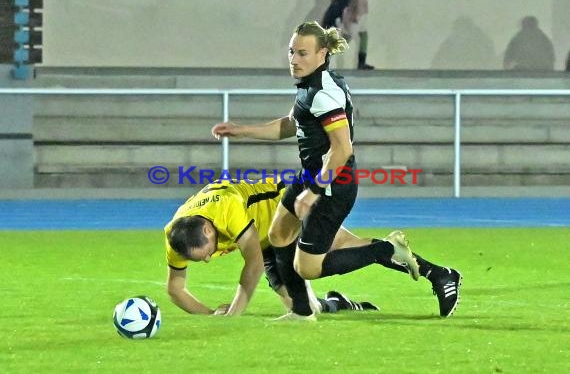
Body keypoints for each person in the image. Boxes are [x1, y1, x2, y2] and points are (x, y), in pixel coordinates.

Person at [211, 21, 461, 321]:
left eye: (302, 53)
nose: (294, 59)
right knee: (278, 234)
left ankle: (387, 249)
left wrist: (313, 193)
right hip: (311, 176)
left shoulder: (323, 93)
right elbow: (292, 124)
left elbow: (342, 150)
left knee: (308, 267)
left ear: (322, 54)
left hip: (331, 185)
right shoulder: (313, 86)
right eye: (291, 52)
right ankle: (303, 312)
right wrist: (241, 131)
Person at [165, 179, 379, 317]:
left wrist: (234, 313)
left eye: (207, 252)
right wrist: (211, 314)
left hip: (284, 214)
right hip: (264, 239)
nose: (208, 259)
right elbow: (175, 289)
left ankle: (388, 250)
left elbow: (254, 261)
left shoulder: (226, 207)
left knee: (335, 251)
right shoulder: (176, 236)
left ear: (207, 231)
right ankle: (338, 301)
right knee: (306, 309)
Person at [322, 0, 374, 70]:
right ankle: (324, 58)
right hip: (355, 14)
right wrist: (354, 13)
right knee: (346, 39)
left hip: (361, 13)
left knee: (363, 35)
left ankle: (361, 63)